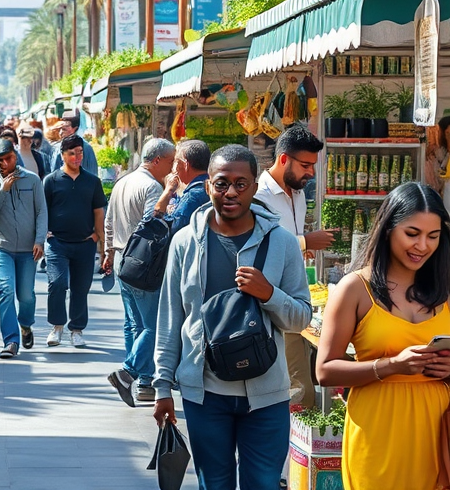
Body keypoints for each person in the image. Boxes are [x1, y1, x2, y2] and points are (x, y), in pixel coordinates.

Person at [153, 145, 312, 490]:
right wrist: (162, 386)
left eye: (241, 184)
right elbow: (171, 318)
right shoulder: (185, 243)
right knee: (215, 484)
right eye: (222, 183)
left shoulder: (282, 243)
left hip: (267, 395)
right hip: (205, 394)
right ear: (208, 185)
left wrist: (269, 293)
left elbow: (300, 319)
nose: (231, 193)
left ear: (255, 187)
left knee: (263, 484)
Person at [316, 182, 450, 490]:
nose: (422, 246)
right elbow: (324, 371)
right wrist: (391, 366)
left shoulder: (445, 289)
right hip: (376, 431)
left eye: (433, 236)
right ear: (388, 228)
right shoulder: (354, 289)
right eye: (412, 233)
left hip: (436, 433)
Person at [254, 124, 333, 411]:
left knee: (299, 382)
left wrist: (305, 247)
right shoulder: (259, 196)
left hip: (296, 299)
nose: (310, 172)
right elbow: (262, 249)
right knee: (296, 386)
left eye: (313, 165)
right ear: (284, 159)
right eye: (305, 165)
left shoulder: (298, 194)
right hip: (273, 301)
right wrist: (305, 241)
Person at [104, 138, 175, 404]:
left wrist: (109, 253)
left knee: (134, 322)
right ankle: (129, 373)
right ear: (156, 160)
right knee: (153, 326)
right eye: (170, 162)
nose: (171, 169)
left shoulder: (124, 181)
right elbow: (152, 223)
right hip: (142, 263)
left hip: (124, 259)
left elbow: (109, 221)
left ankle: (142, 381)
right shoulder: (152, 187)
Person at [0, 138, 48, 359]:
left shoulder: (32, 180)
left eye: (8, 158)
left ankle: (26, 325)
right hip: (1, 246)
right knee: (6, 290)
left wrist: (39, 241)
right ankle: (10, 341)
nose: (4, 163)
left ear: (15, 155)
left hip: (29, 248)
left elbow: (41, 212)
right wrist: (3, 189)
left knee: (26, 296)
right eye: (0, 160)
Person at [43, 134, 108, 347]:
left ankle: (77, 329)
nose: (76, 157)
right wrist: (44, 233)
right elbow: (42, 210)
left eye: (79, 152)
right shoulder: (51, 181)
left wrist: (99, 239)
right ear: (63, 155)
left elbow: (98, 211)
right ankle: (57, 327)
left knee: (81, 288)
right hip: (57, 243)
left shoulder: (92, 181)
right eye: (72, 153)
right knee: (57, 283)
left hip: (84, 243)